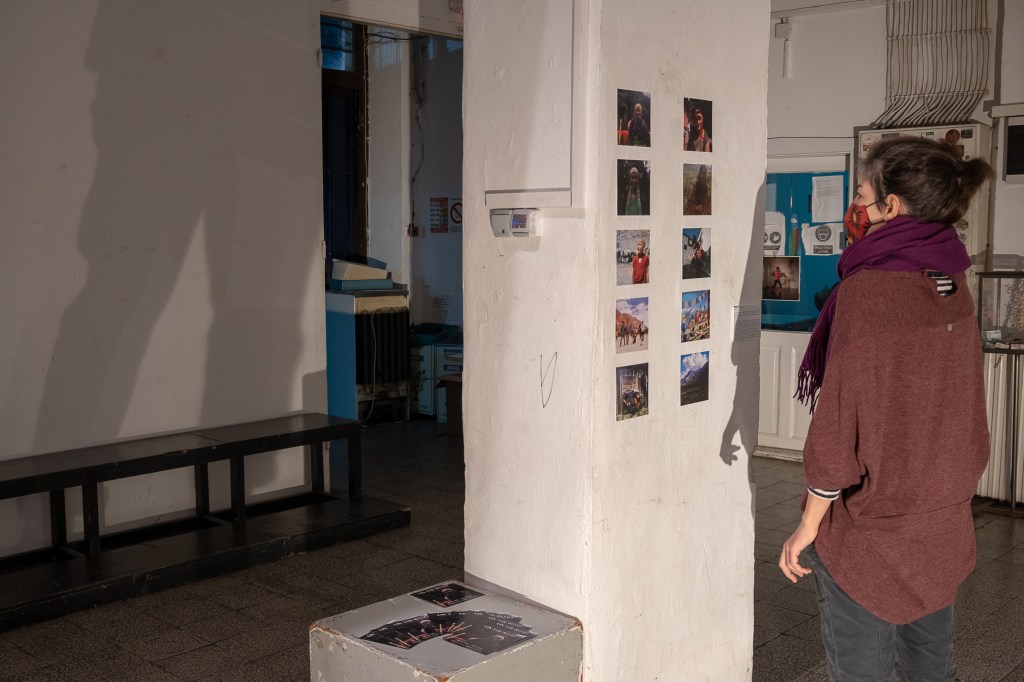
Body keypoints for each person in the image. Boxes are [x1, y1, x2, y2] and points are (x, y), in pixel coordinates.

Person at [780, 136, 993, 680]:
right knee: (932, 670)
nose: (855, 206)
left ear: (890, 205)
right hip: (942, 521)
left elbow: (838, 425)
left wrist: (808, 525)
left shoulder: (867, 290)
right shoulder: (953, 282)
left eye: (861, 194)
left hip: (872, 531)